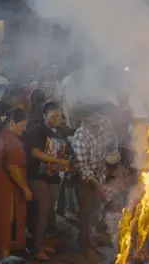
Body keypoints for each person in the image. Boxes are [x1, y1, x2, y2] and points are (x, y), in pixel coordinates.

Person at [0, 107, 31, 261]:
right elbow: (13, 168)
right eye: (22, 126)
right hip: (7, 189)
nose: (23, 130)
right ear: (12, 123)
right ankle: (5, 258)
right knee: (6, 226)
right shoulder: (12, 140)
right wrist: (25, 188)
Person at [71, 105, 118, 262]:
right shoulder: (80, 137)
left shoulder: (105, 123)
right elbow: (84, 170)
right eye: (92, 120)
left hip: (101, 171)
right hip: (83, 178)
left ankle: (85, 237)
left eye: (97, 117)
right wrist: (100, 187)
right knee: (87, 211)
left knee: (97, 208)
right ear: (84, 120)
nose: (96, 122)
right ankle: (88, 248)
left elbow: (113, 143)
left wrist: (114, 162)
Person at [25, 102, 71, 260]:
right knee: (43, 211)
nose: (57, 119)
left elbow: (66, 153)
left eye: (59, 116)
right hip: (38, 176)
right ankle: (37, 248)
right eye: (53, 116)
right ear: (44, 115)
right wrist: (56, 161)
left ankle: (42, 242)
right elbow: (35, 152)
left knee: (49, 211)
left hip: (53, 177)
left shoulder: (60, 132)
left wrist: (64, 163)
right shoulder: (38, 130)